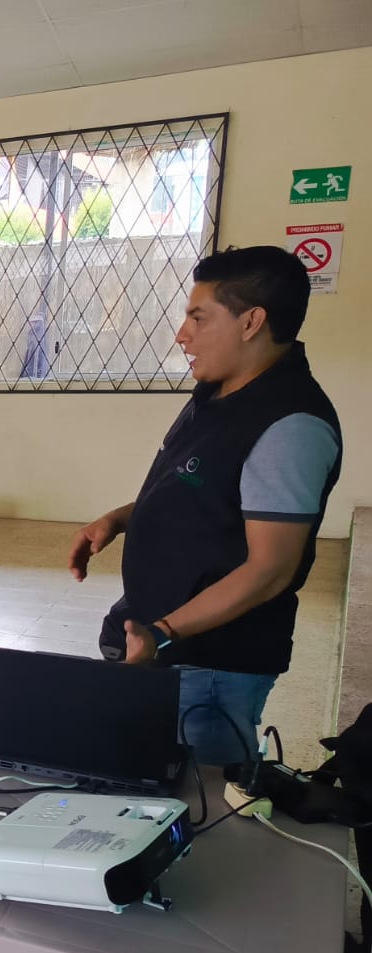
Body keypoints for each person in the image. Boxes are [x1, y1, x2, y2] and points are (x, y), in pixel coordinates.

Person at [70, 246, 341, 770]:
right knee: (143, 778)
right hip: (157, 638)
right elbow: (196, 488)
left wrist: (163, 634)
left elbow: (270, 569)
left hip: (211, 664)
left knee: (202, 797)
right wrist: (120, 519)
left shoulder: (291, 425)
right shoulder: (217, 394)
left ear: (251, 322)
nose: (182, 334)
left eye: (198, 318)